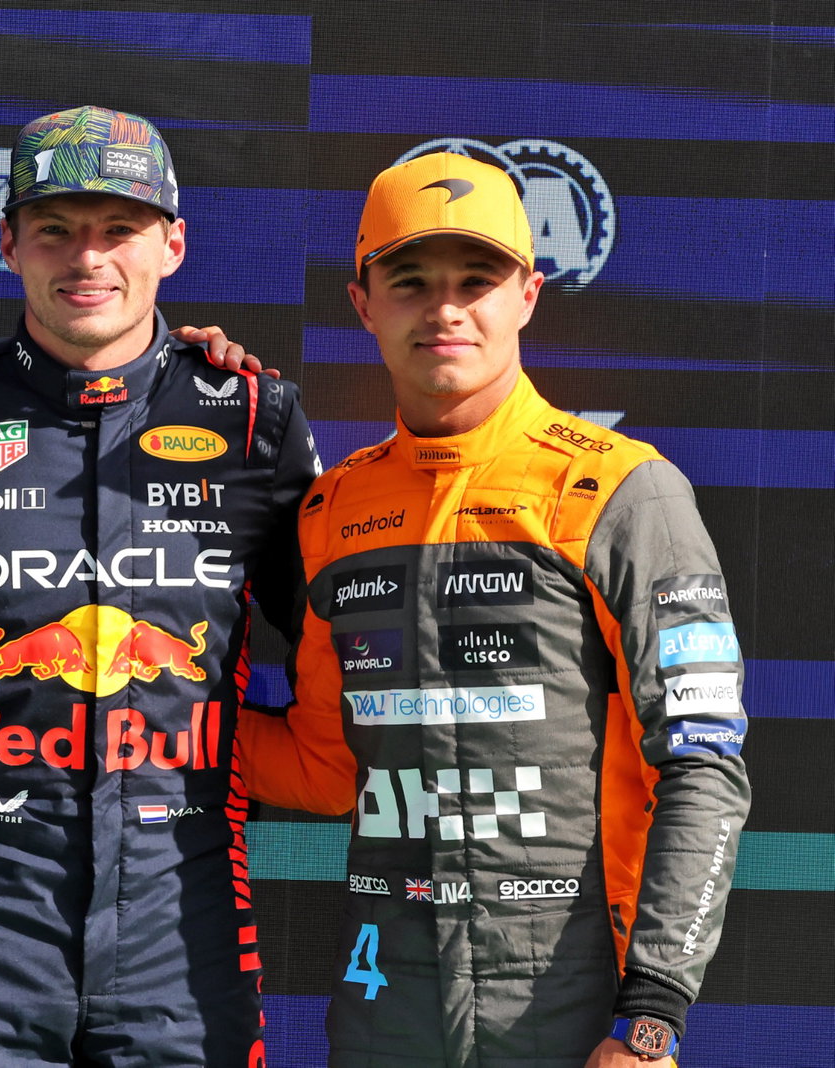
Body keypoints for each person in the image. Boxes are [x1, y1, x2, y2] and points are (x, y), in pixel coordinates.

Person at [0, 105, 323, 1065]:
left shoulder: (255, 415)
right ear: (9, 243)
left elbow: (344, 651)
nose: (87, 258)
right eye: (55, 229)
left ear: (171, 246)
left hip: (188, 926)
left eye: (119, 229)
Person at [238, 152, 750, 1067]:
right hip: (381, 1003)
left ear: (528, 294)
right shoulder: (330, 513)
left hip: (575, 1001)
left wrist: (651, 1017)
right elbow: (325, 768)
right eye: (410, 281)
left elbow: (705, 768)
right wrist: (133, 717)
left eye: (477, 280)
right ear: (364, 302)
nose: (445, 309)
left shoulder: (624, 492)